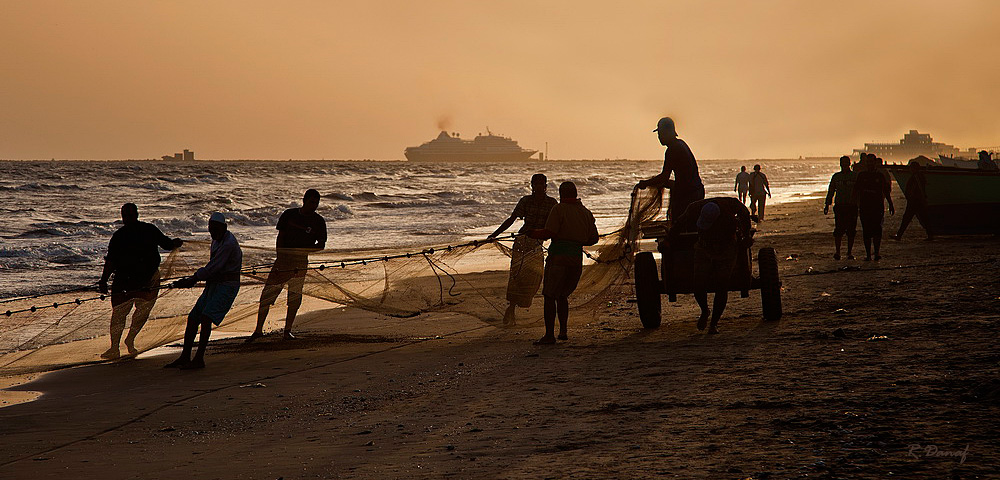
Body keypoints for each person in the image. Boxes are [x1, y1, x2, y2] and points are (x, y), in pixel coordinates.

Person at [98, 203, 182, 359]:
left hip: (143, 279)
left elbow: (167, 244)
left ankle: (127, 341)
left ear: (135, 215)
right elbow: (111, 261)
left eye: (129, 215)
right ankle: (115, 347)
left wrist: (103, 281)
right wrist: (103, 281)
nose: (127, 218)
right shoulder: (130, 233)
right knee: (122, 314)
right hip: (130, 280)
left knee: (136, 313)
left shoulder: (134, 232)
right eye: (125, 215)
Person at [248, 189, 327, 342]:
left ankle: (287, 330)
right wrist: (280, 257)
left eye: (317, 203)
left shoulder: (318, 221)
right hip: (282, 261)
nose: (314, 206)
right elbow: (281, 236)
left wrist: (302, 251)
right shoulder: (289, 215)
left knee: (294, 296)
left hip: (300, 262)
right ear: (304, 200)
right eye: (312, 202)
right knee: (268, 294)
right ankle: (258, 330)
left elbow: (321, 245)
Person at [166, 212, 243, 369]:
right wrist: (194, 278)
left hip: (227, 286)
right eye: (211, 229)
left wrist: (193, 279)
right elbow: (212, 268)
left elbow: (214, 267)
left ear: (224, 228)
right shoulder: (216, 240)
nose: (213, 232)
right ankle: (185, 356)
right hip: (214, 285)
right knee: (194, 317)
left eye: (216, 229)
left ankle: (199, 359)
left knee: (206, 318)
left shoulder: (228, 244)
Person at [528, 181, 599, 345]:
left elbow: (549, 232)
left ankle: (549, 335)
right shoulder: (585, 212)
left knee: (549, 295)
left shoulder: (558, 209)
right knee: (562, 295)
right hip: (576, 259)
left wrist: (532, 233)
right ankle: (563, 331)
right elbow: (593, 238)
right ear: (575, 193)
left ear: (561, 194)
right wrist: (576, 240)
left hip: (559, 257)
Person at [668, 197, 752, 334]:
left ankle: (714, 324)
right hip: (704, 248)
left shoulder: (731, 205)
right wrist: (668, 241)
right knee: (698, 284)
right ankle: (704, 310)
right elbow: (678, 224)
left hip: (727, 248)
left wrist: (747, 235)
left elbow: (745, 214)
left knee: (722, 286)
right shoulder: (694, 207)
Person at [488, 174, 558, 325]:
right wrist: (494, 235)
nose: (539, 186)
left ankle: (522, 303)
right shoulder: (526, 201)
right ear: (532, 185)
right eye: (536, 184)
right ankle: (511, 308)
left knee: (535, 276)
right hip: (522, 243)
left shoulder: (552, 203)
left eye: (541, 184)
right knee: (516, 276)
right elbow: (512, 219)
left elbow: (556, 225)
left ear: (546, 186)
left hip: (537, 245)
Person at [636, 117, 705, 219]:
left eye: (660, 134)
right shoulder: (681, 143)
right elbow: (685, 176)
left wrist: (646, 183)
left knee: (679, 225)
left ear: (668, 133)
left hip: (688, 196)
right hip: (697, 191)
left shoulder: (672, 150)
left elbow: (664, 176)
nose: (659, 137)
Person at [853, 155, 894, 261]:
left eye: (871, 162)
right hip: (864, 207)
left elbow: (886, 191)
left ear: (875, 162)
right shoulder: (861, 175)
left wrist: (890, 204)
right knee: (866, 231)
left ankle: (876, 253)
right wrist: (854, 205)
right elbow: (856, 191)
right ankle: (868, 255)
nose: (869, 164)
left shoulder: (880, 176)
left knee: (877, 231)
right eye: (868, 162)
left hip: (877, 207)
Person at [824, 156, 859, 260]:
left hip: (852, 206)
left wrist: (860, 205)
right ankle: (838, 252)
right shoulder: (836, 177)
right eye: (842, 163)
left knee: (851, 230)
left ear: (849, 164)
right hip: (840, 206)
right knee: (839, 230)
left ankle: (849, 252)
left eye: (845, 163)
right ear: (840, 164)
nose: (844, 165)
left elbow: (859, 192)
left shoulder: (855, 176)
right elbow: (831, 191)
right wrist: (827, 205)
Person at [893, 161, 933, 241]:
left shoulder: (916, 177)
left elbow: (919, 189)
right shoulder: (918, 176)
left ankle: (899, 235)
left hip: (915, 201)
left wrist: (922, 198)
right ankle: (930, 235)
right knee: (923, 218)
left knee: (908, 218)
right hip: (916, 201)